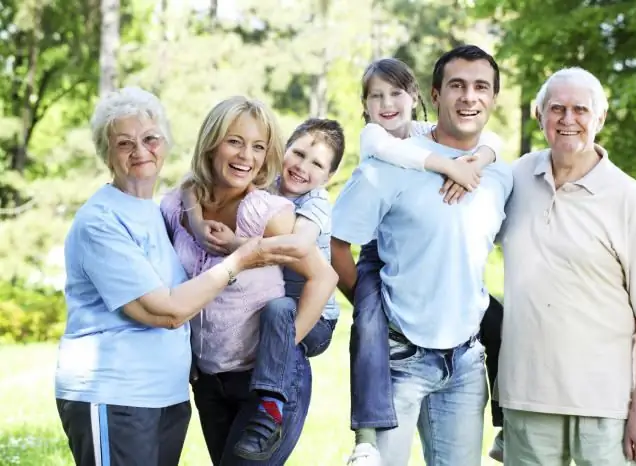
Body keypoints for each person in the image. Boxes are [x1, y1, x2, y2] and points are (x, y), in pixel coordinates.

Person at [54, 87, 304, 466]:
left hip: (167, 396)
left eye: (150, 139)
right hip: (114, 393)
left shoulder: (157, 212)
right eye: (125, 143)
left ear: (165, 144)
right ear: (106, 152)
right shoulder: (101, 221)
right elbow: (165, 312)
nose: (141, 151)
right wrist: (239, 259)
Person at [331, 46, 513, 466]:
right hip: (399, 360)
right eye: (457, 86)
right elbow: (336, 244)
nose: (469, 97)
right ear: (434, 94)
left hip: (467, 362)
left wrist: (481, 156)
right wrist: (373, 307)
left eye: (480, 87)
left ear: (494, 99)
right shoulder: (387, 164)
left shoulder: (501, 174)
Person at [497, 67, 636, 465]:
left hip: (605, 406)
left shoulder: (627, 197)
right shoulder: (514, 179)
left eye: (580, 110)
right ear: (539, 115)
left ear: (599, 118)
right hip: (526, 398)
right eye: (556, 108)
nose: (567, 120)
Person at [160, 96, 338, 464]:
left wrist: (282, 351)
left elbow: (324, 276)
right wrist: (193, 219)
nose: (246, 156)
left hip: (265, 385)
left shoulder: (268, 212)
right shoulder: (178, 204)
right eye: (235, 141)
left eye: (258, 147)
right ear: (212, 142)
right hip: (208, 382)